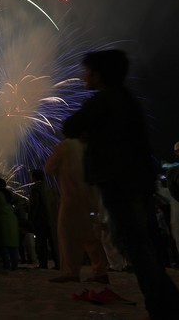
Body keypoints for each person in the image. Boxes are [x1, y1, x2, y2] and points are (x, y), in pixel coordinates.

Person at [63, 49, 179, 319]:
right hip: (138, 182)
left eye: (88, 71)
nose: (83, 77)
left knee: (133, 244)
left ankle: (164, 304)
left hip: (118, 183)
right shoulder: (128, 100)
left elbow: (70, 127)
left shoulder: (103, 101)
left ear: (99, 74)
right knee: (140, 244)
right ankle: (164, 302)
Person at [45, 137, 108, 283]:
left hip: (71, 199)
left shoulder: (64, 146)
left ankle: (70, 272)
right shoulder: (90, 146)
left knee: (66, 236)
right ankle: (100, 272)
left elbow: (49, 167)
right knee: (91, 236)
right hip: (92, 198)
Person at [29, 168, 60, 270]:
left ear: (33, 177)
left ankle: (43, 264)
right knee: (54, 243)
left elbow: (35, 204)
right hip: (52, 220)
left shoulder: (35, 188)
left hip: (41, 220)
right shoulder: (50, 188)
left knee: (41, 243)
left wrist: (31, 218)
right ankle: (58, 263)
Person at [0, 178, 19, 270]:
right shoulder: (9, 193)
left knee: (3, 243)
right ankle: (15, 264)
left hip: (1, 219)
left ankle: (6, 264)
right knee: (13, 243)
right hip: (12, 219)